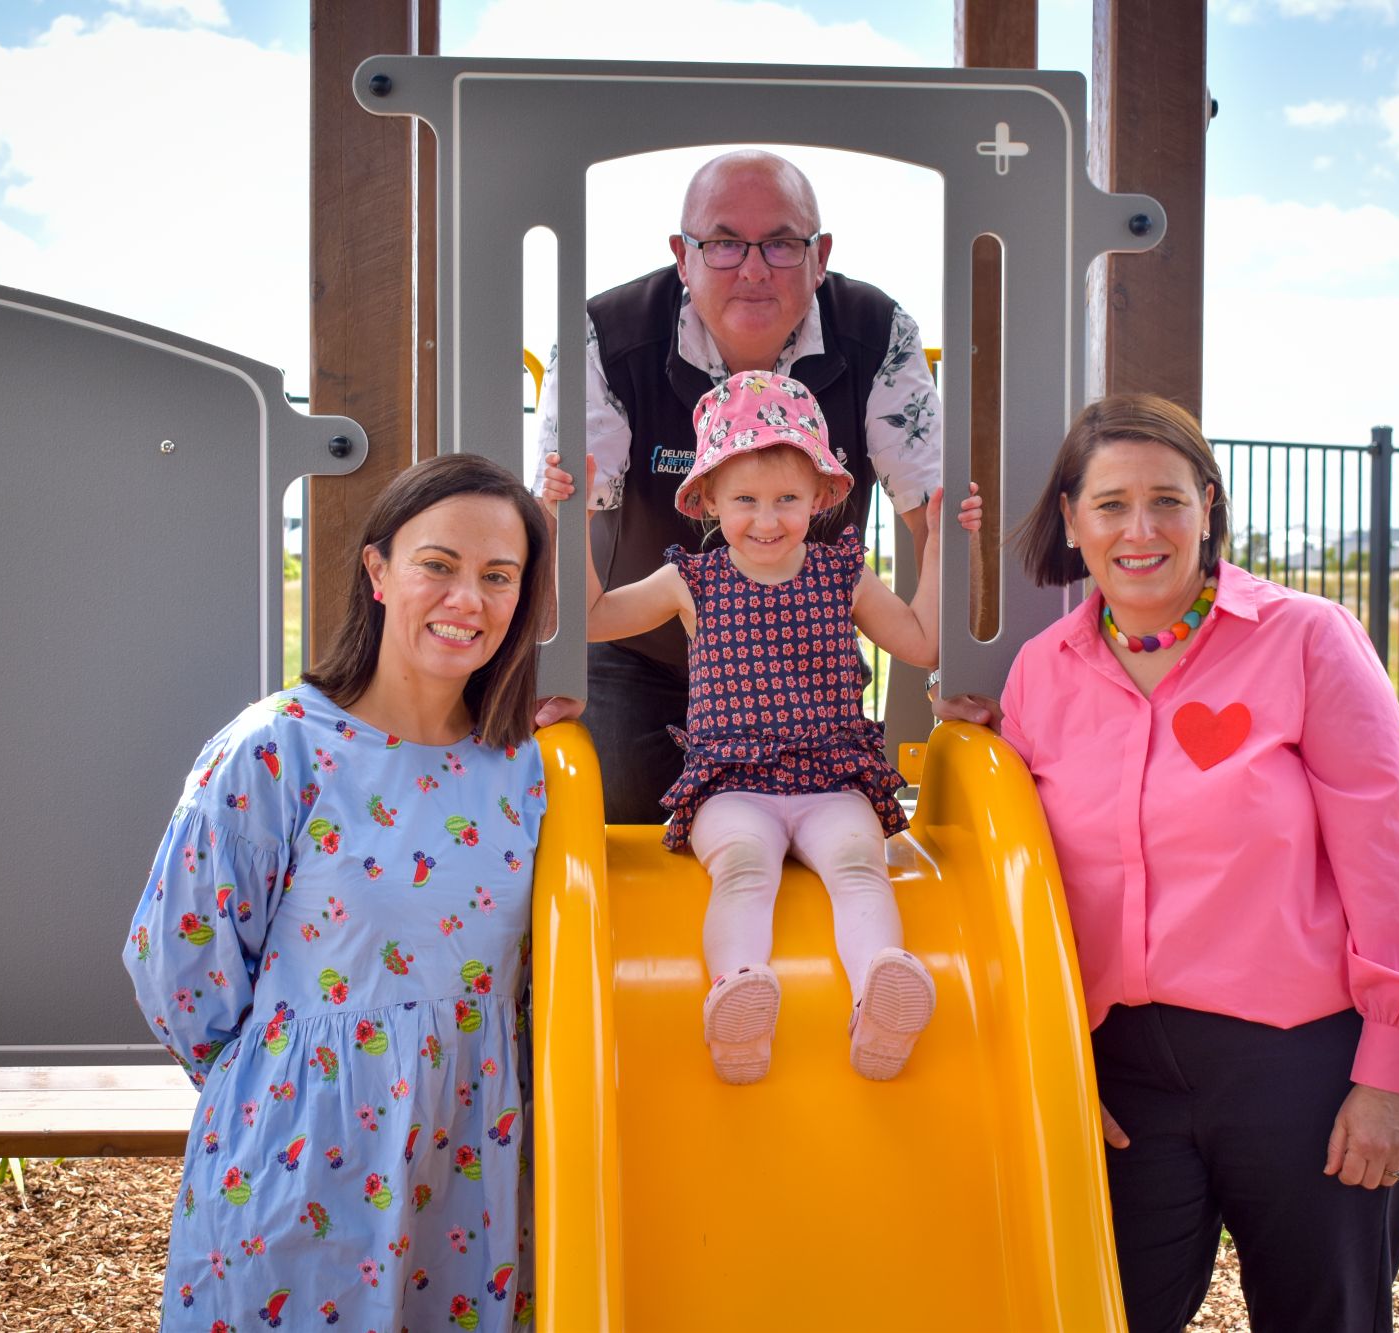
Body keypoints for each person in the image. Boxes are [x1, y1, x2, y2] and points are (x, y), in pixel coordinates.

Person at [939, 394, 1399, 1332]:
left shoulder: (1306, 640)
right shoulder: (1041, 673)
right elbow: (1024, 891)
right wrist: (1053, 1065)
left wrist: (1389, 1069)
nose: (1140, 530)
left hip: (1307, 1063)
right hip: (1121, 1078)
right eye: (1109, 504)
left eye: (1168, 500)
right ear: (1071, 518)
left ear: (1209, 506)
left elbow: (1393, 855)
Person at [122, 455, 552, 1332]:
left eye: (497, 576)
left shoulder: (526, 769)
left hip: (467, 1168)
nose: (468, 598)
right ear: (379, 570)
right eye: (438, 564)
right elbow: (179, 964)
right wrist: (293, 1080)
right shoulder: (279, 749)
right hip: (299, 1160)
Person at [540, 370, 980, 1084]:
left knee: (860, 865)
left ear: (821, 497)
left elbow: (922, 641)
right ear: (709, 499)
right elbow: (594, 618)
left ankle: (881, 994)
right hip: (733, 787)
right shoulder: (692, 579)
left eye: (786, 499)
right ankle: (739, 996)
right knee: (743, 867)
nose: (767, 519)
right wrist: (567, 521)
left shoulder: (843, 575)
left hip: (831, 779)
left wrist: (934, 547)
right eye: (745, 499)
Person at [534, 148, 943, 822]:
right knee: (620, 813)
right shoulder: (607, 336)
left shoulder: (877, 332)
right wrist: (551, 668)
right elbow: (557, 512)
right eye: (723, 243)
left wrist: (950, 675)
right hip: (643, 650)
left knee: (830, 824)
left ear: (821, 255)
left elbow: (934, 517)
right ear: (682, 254)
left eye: (782, 243)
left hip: (801, 656)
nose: (753, 269)